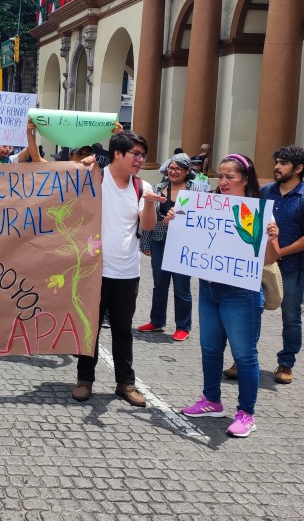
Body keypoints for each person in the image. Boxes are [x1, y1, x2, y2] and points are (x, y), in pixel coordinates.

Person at [179, 154, 280, 438]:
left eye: (230, 177)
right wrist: (177, 221)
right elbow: (191, 240)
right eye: (220, 177)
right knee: (210, 350)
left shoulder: (258, 211)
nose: (222, 182)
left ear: (245, 180)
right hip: (210, 289)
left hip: (241, 294)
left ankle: (246, 414)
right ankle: (211, 401)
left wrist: (272, 237)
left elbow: (270, 259)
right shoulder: (208, 205)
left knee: (244, 356)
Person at [72, 131, 164, 406]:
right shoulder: (95, 178)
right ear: (117, 154)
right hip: (93, 270)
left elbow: (147, 226)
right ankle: (84, 379)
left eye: (142, 155)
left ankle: (125, 383)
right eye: (135, 154)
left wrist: (149, 203)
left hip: (127, 270)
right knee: (90, 327)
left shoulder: (141, 186)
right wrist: (87, 161)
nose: (140, 160)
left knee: (123, 329)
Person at [247, 145, 304, 385]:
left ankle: (286, 362)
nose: (277, 167)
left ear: (299, 168)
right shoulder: (266, 191)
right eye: (277, 162)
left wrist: (280, 252)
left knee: (291, 315)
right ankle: (246, 359)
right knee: (252, 312)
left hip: (292, 268)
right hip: (261, 265)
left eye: (283, 163)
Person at [137, 153, 209, 341]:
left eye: (178, 168)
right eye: (171, 167)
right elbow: (149, 215)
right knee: (159, 285)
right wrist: (146, 242)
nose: (174, 171)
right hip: (160, 241)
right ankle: (156, 321)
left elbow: (203, 219)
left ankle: (183, 326)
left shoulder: (197, 191)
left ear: (187, 171)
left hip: (184, 245)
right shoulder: (159, 188)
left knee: (181, 287)